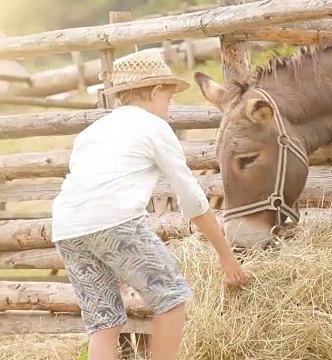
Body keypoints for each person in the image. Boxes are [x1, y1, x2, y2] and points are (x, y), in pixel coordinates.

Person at [51, 49, 250, 360]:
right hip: (115, 222)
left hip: (67, 227)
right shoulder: (153, 126)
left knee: (103, 323)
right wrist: (226, 257)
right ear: (155, 91)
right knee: (172, 298)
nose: (169, 108)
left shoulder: (91, 133)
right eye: (169, 99)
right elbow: (193, 199)